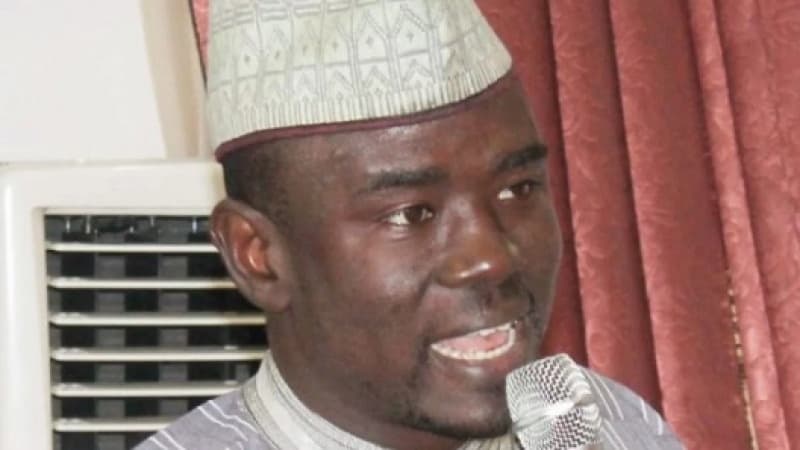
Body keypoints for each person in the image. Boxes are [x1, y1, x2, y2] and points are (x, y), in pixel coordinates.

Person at [138, 0, 684, 448]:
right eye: (410, 214)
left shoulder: (613, 429)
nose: (490, 257)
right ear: (257, 255)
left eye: (516, 189)